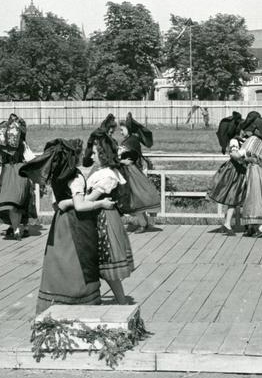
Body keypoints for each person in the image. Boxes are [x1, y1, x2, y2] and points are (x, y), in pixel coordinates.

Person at [20, 139, 115, 314]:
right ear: (74, 156)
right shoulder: (75, 176)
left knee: (59, 261)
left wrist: (64, 202)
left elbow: (57, 204)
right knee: (78, 260)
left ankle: (56, 301)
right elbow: (80, 206)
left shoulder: (57, 175)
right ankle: (79, 300)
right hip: (75, 224)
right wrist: (101, 203)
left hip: (60, 223)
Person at [83, 129, 134, 304]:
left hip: (104, 219)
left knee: (107, 264)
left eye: (95, 153)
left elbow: (88, 199)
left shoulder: (108, 175)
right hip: (98, 216)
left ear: (104, 155)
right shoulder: (101, 171)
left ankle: (121, 301)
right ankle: (114, 299)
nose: (91, 157)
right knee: (97, 263)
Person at [0, 114, 37, 240]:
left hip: (6, 174)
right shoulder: (22, 145)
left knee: (7, 201)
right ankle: (22, 227)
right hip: (21, 173)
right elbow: (31, 159)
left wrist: (2, 159)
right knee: (24, 200)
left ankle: (15, 227)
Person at [117, 113, 160, 233]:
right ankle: (144, 223)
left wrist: (118, 160)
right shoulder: (131, 140)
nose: (120, 132)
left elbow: (121, 156)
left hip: (132, 173)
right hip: (132, 172)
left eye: (122, 129)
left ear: (128, 129)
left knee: (136, 198)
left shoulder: (130, 142)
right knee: (136, 198)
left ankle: (143, 224)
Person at [207, 112, 246, 236]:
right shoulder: (235, 141)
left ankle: (232, 223)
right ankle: (228, 223)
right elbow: (234, 155)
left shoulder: (242, 140)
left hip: (241, 170)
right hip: (235, 171)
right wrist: (244, 156)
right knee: (234, 197)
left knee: (239, 197)